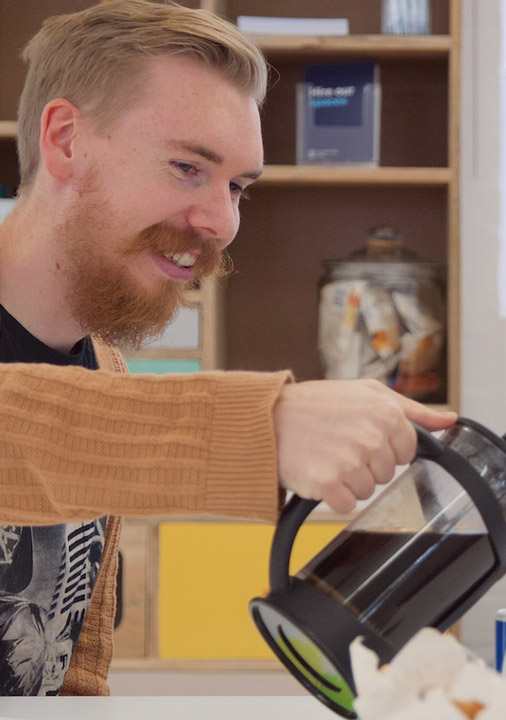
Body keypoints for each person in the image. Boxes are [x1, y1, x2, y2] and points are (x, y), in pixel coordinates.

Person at [0, 1, 454, 696]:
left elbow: (65, 681)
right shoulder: (105, 408)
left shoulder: (106, 373)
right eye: (188, 167)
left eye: (238, 187)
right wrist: (259, 425)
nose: (222, 221)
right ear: (66, 141)